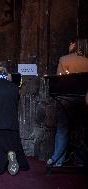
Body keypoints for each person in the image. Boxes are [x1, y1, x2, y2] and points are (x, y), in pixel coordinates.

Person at [46, 39, 88, 167]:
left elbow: (60, 80)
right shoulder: (87, 60)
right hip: (84, 99)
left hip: (66, 99)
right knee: (81, 128)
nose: (69, 45)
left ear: (74, 46)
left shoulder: (64, 59)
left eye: (71, 43)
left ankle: (58, 160)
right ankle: (81, 160)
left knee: (62, 129)